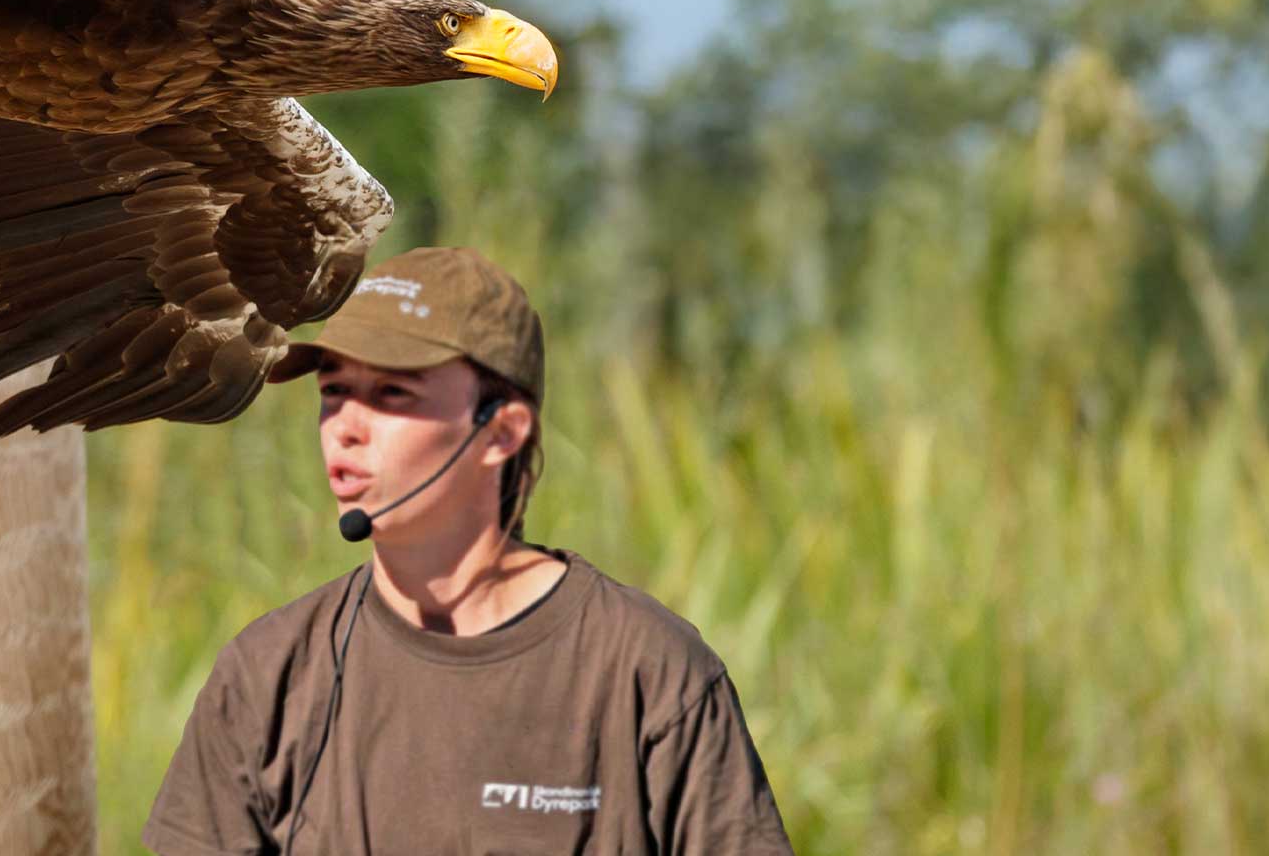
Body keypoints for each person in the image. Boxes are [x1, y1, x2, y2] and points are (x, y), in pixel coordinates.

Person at [143, 246, 795, 855]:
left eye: (392, 394)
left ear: (501, 431)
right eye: (334, 391)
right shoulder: (267, 676)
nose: (345, 428)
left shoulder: (648, 671)